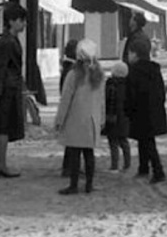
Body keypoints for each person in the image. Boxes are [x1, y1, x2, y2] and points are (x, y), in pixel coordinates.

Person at [54, 38, 105, 194]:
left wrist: (59, 120)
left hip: (75, 119)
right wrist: (101, 118)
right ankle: (89, 184)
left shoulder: (73, 75)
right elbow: (101, 99)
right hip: (92, 119)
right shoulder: (99, 75)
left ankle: (74, 185)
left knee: (75, 153)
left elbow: (65, 99)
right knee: (89, 154)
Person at [0, 3, 28, 178]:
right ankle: (1, 165)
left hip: (4, 88)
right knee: (3, 128)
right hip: (5, 91)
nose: (24, 24)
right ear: (12, 21)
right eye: (21, 20)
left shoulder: (6, 40)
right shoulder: (7, 42)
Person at [125, 37, 167, 183]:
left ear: (135, 54)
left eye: (130, 53)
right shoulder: (154, 70)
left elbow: (130, 94)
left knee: (148, 142)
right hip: (153, 109)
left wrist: (128, 110)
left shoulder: (134, 72)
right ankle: (143, 168)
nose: (128, 56)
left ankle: (158, 171)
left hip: (140, 111)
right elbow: (161, 91)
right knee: (144, 140)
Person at [104, 62, 131, 173]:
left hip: (112, 116)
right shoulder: (128, 85)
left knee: (113, 141)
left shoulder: (111, 84)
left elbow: (109, 100)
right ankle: (127, 164)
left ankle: (114, 165)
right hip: (124, 117)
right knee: (123, 140)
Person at [58, 39, 78, 177]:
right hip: (73, 107)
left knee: (71, 139)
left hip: (70, 106)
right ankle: (69, 168)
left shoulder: (67, 67)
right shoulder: (71, 70)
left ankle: (69, 166)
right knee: (73, 140)